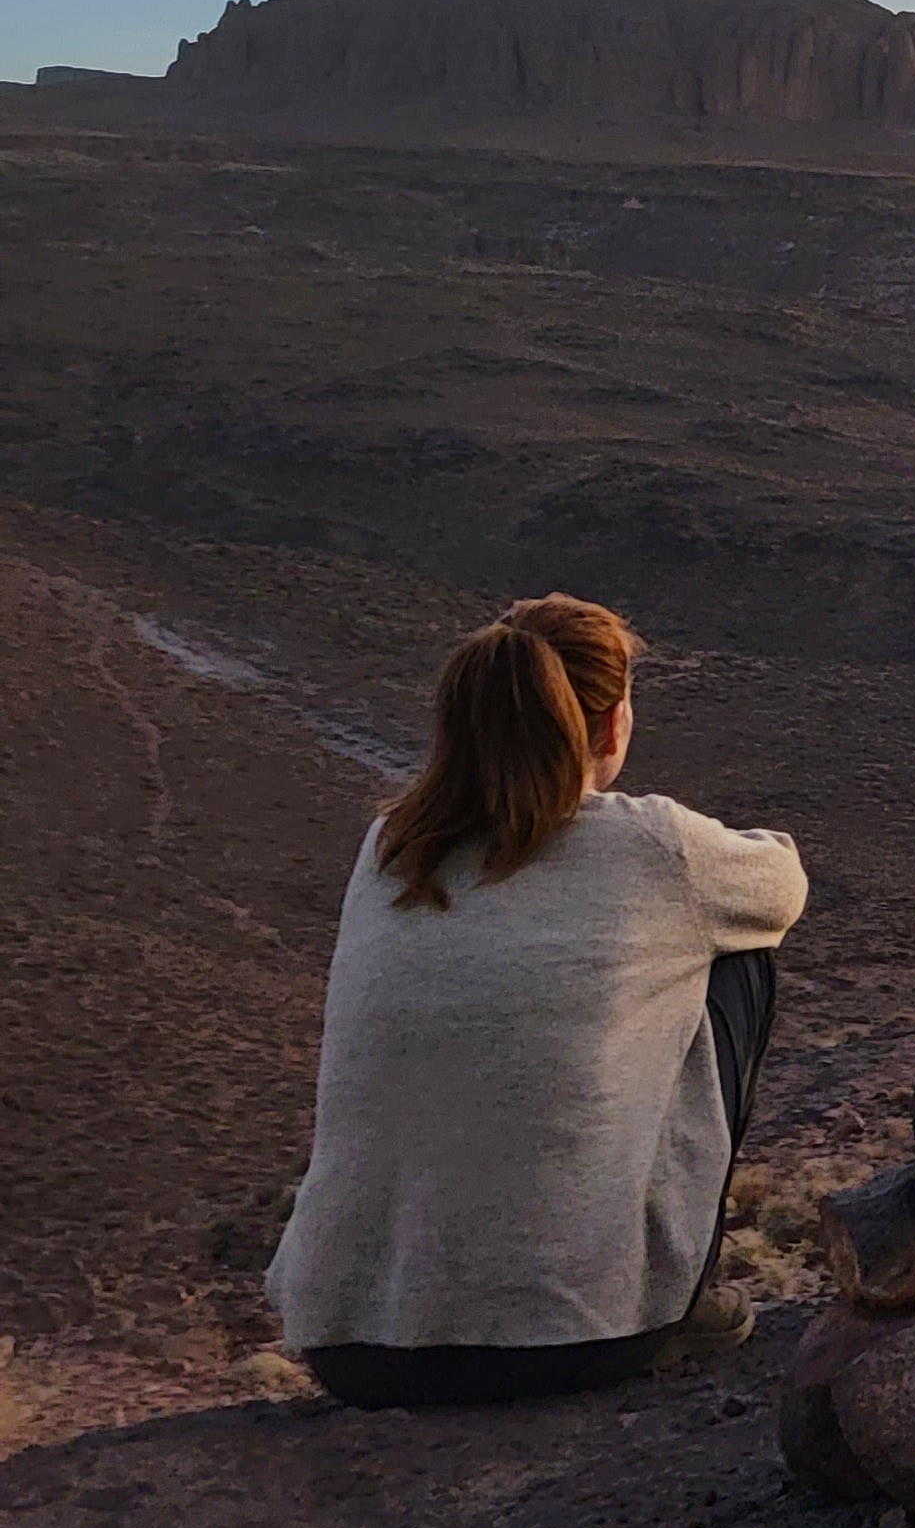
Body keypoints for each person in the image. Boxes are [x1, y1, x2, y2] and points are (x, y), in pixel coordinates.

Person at [270, 593, 807, 1406]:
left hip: (350, 1344)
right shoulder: (654, 846)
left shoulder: (389, 847)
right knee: (739, 960)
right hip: (571, 1339)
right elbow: (783, 884)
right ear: (612, 726)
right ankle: (672, 1286)